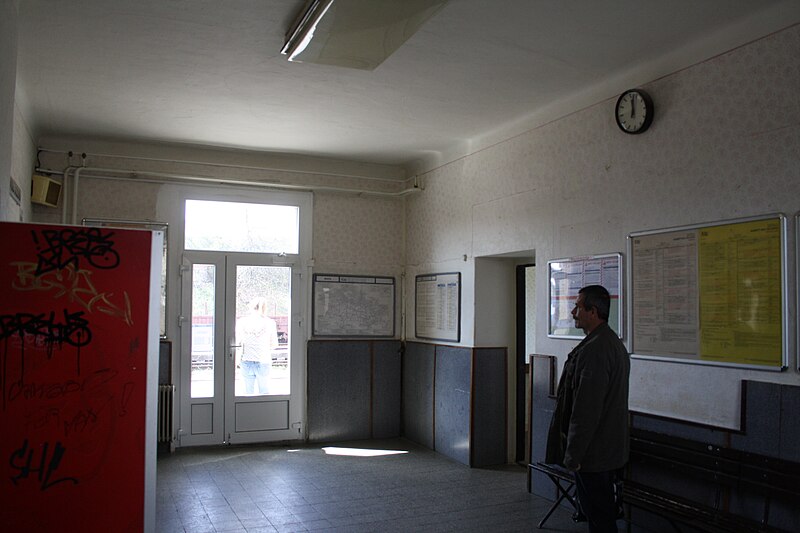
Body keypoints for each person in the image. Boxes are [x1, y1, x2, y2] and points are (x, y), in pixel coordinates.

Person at [545, 285, 630, 533]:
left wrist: (574, 455)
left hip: (595, 454)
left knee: (600, 518)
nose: (573, 312)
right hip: (604, 450)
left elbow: (586, 409)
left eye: (578, 307)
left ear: (593, 311)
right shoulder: (607, 343)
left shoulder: (596, 350)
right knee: (599, 516)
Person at [236, 297, 279, 395]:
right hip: (263, 360)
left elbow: (237, 342)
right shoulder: (270, 323)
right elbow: (274, 344)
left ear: (250, 307)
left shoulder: (241, 322)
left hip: (246, 360)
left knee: (247, 393)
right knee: (264, 393)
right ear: (265, 308)